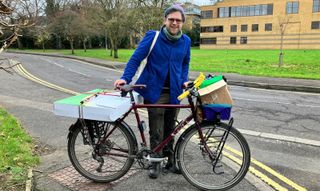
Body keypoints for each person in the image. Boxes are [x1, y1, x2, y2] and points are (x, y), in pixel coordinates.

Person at [114, 4, 191, 179]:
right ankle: (155, 162)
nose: (174, 23)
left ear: (182, 23)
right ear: (165, 20)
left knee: (171, 128)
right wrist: (125, 78)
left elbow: (185, 62)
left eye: (178, 20)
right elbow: (136, 58)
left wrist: (183, 80)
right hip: (155, 90)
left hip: (174, 92)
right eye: (171, 19)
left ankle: (170, 160)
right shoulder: (153, 37)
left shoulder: (185, 41)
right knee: (157, 129)